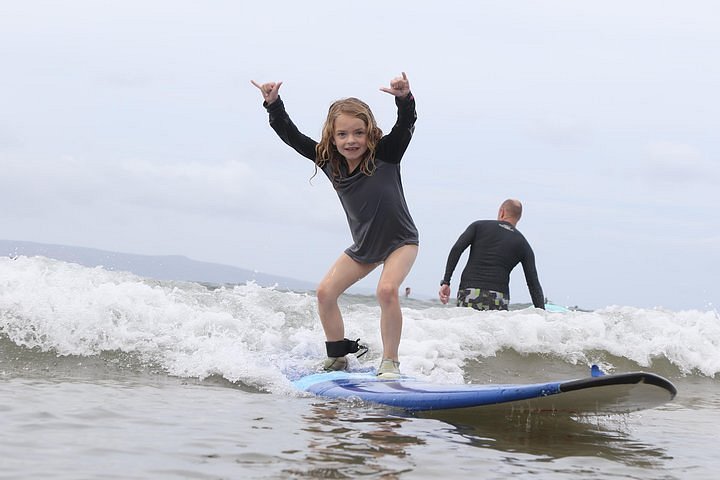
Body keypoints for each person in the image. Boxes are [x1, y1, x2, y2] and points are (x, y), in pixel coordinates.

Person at [251, 72, 418, 378]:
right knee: (325, 292)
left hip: (401, 240)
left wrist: (404, 99)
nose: (351, 140)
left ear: (370, 133)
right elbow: (292, 136)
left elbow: (405, 125)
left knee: (387, 290)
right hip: (365, 245)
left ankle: (390, 362)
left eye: (358, 133)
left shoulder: (387, 154)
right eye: (342, 134)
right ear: (332, 136)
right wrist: (273, 104)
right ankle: (338, 357)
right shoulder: (330, 162)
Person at [439, 199, 545, 311]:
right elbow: (533, 284)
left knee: (466, 326)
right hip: (499, 297)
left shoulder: (478, 226)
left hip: (470, 291)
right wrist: (542, 316)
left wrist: (446, 281)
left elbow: (457, 249)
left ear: (502, 212)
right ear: (518, 217)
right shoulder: (523, 243)